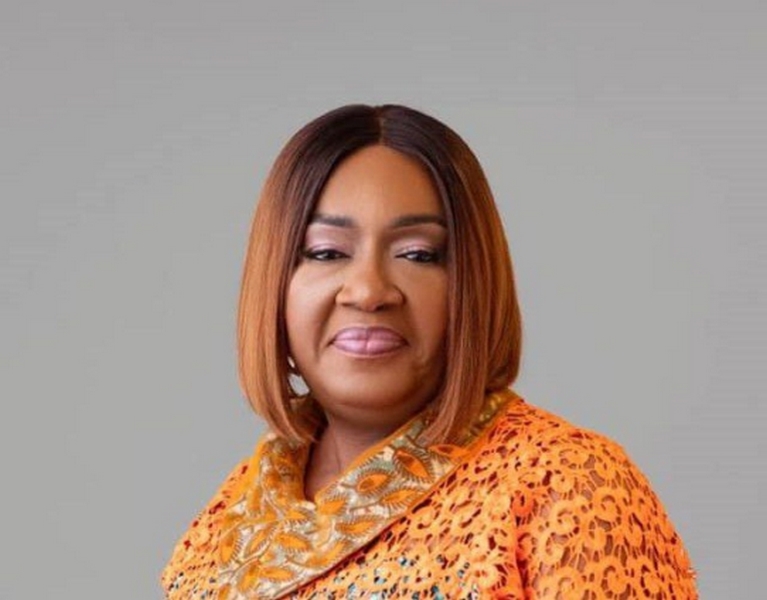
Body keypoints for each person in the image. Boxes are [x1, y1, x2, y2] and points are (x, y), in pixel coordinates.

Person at [161, 104, 697, 599]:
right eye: (325, 252)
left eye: (418, 254)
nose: (368, 291)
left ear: (473, 282)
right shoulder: (228, 519)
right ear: (273, 283)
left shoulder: (568, 484)